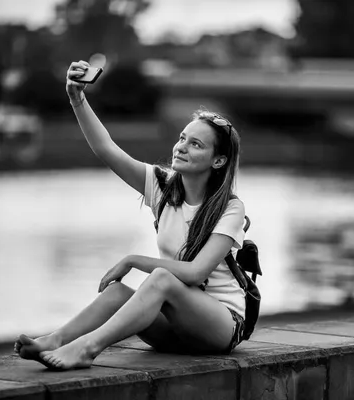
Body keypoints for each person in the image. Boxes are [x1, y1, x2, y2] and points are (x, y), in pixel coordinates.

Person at [14, 60, 246, 370]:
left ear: (217, 161)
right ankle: (57, 340)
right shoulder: (163, 187)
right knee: (118, 292)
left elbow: (194, 274)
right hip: (175, 329)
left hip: (219, 326)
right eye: (181, 138)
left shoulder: (229, 207)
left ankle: (86, 349)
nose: (181, 147)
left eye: (195, 144)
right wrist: (76, 97)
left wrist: (132, 260)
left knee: (162, 278)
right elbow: (106, 149)